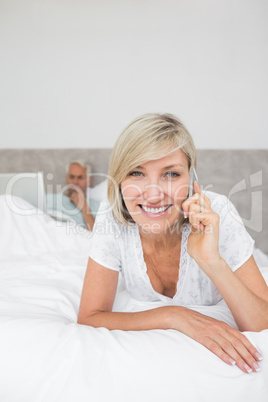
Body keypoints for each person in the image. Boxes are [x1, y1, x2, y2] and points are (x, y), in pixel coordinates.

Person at [77, 113, 268, 373]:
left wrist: (211, 261)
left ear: (191, 179)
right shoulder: (110, 215)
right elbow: (89, 317)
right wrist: (174, 315)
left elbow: (262, 324)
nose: (154, 194)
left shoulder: (220, 211)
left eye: (171, 174)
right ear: (119, 180)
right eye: (136, 172)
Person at [46, 160, 100, 231]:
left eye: (80, 177)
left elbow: (97, 236)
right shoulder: (48, 198)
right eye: (71, 177)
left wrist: (84, 207)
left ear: (89, 181)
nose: (75, 182)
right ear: (67, 179)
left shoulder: (99, 207)